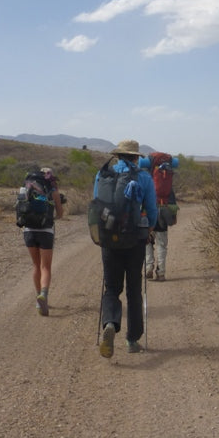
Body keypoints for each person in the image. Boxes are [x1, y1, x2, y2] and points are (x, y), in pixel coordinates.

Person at [95, 139, 157, 357]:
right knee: (133, 289)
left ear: (119, 156)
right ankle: (132, 340)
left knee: (111, 287)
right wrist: (148, 230)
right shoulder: (144, 177)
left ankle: (110, 323)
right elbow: (152, 210)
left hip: (109, 240)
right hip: (135, 241)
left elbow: (96, 205)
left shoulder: (103, 175)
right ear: (135, 157)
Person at [22, 167, 64, 316]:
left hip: (28, 230)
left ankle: (38, 299)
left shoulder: (27, 186)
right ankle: (44, 295)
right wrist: (53, 217)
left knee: (35, 265)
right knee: (45, 267)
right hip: (46, 231)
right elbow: (60, 213)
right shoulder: (53, 190)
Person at [145, 153, 177, 282]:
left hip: (150, 211)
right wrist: (173, 215)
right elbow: (172, 199)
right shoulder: (167, 180)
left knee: (147, 242)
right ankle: (161, 272)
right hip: (164, 211)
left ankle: (148, 267)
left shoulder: (148, 178)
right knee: (162, 244)